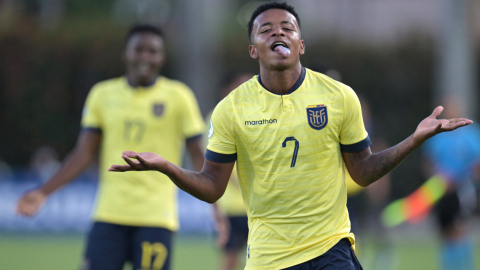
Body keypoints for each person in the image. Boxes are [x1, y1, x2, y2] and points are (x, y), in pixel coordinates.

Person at [109, 3, 472, 270]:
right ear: (254, 50)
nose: (278, 32)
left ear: (301, 44)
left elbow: (361, 171)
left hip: (332, 249)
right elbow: (212, 186)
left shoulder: (339, 97)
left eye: (287, 27)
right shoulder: (231, 109)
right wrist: (167, 168)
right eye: (265, 30)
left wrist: (414, 139)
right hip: (271, 257)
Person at [16, 24, 205, 270]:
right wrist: (43, 191)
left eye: (153, 51)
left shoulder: (179, 96)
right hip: (109, 215)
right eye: (138, 49)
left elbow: (198, 154)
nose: (145, 57)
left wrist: (217, 202)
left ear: (162, 57)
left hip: (156, 218)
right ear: (126, 53)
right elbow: (84, 153)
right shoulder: (102, 94)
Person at [422, 96, 480, 270]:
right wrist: (440, 177)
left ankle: (465, 266)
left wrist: (461, 178)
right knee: (445, 232)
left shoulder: (472, 132)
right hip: (441, 190)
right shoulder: (438, 133)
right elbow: (428, 162)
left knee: (461, 229)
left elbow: (477, 165)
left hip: (464, 190)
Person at [207, 73, 253, 270]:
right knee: (230, 258)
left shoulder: (257, 115)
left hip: (258, 206)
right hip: (232, 206)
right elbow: (213, 165)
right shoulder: (216, 117)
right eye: (239, 86)